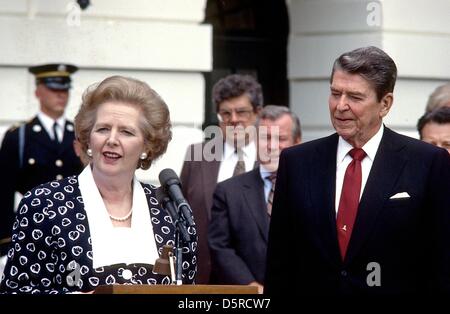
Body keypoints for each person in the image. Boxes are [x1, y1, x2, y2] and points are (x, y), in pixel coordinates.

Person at [265, 46, 450, 296]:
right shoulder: (296, 162)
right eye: (335, 93)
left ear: (385, 104)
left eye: (354, 97)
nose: (340, 106)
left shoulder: (428, 163)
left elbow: (440, 265)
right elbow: (280, 263)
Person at [0, 76, 197, 293]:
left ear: (147, 146)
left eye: (126, 131)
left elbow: (188, 292)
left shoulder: (168, 211)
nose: (112, 139)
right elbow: (16, 290)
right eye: (103, 129)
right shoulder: (44, 204)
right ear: (88, 137)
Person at [208, 105, 301, 294]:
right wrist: (249, 286)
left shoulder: (317, 187)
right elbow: (220, 247)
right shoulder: (228, 191)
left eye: (281, 139)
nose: (272, 146)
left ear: (297, 142)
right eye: (265, 137)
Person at [180, 74, 263, 284]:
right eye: (226, 113)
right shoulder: (197, 157)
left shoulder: (274, 159)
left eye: (241, 112)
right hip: (204, 281)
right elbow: (181, 216)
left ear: (257, 113)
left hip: (258, 283)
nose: (233, 119)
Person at [0, 64, 84, 265]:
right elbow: (3, 193)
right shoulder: (19, 136)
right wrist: (6, 243)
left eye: (64, 90)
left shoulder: (80, 135)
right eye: (54, 89)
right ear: (38, 91)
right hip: (31, 232)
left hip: (74, 231)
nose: (61, 95)